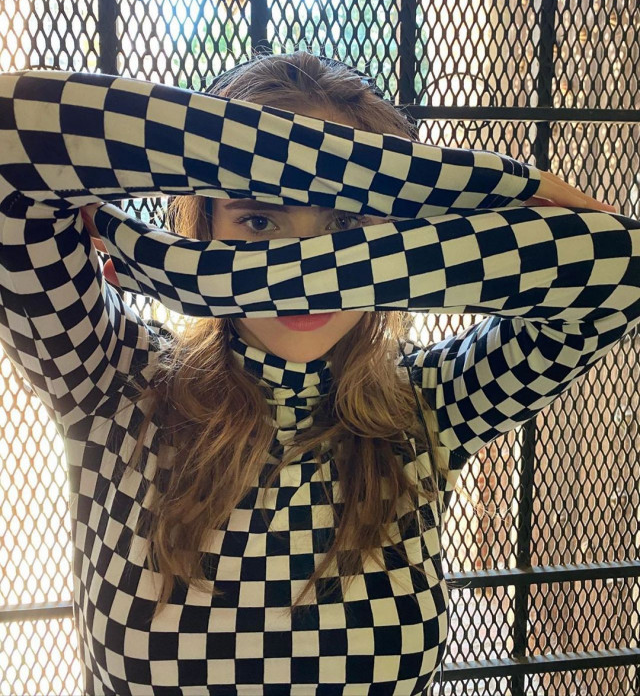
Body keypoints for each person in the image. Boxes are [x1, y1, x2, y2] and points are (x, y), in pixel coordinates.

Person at [0, 49, 636, 696]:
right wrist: (187, 266)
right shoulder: (109, 383)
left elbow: (620, 276)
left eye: (346, 223)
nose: (304, 271)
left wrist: (490, 185)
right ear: (205, 220)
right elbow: (9, 141)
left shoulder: (432, 408)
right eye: (259, 220)